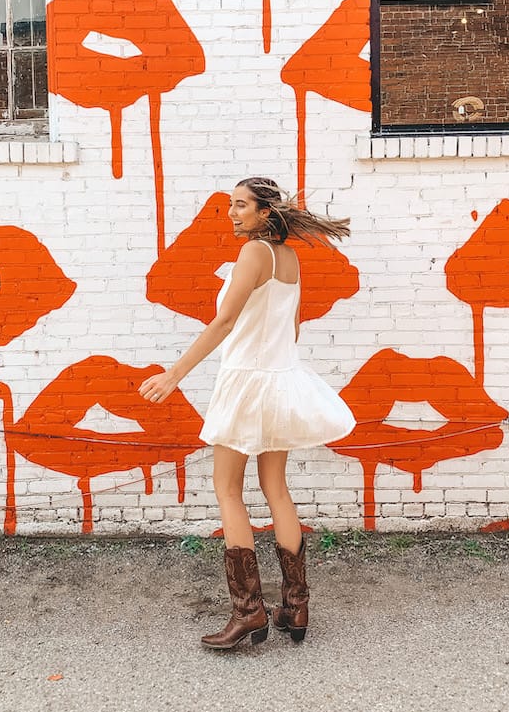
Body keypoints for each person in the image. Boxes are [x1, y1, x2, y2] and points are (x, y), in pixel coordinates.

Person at [138, 177, 356, 650]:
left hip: (246, 382)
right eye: (230, 206)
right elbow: (292, 327)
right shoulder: (290, 259)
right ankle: (295, 605)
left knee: (227, 490)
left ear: (264, 213)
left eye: (240, 206)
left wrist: (173, 375)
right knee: (276, 488)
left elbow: (224, 320)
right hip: (279, 380)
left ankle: (249, 611)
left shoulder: (254, 254)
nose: (232, 214)